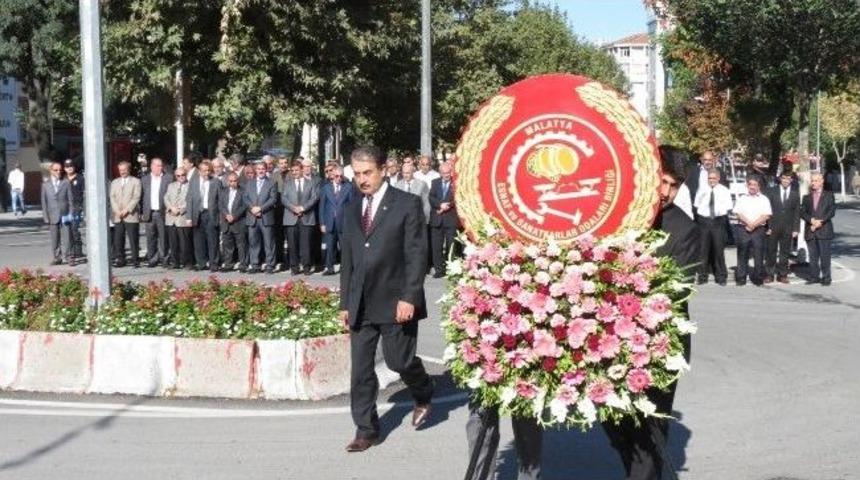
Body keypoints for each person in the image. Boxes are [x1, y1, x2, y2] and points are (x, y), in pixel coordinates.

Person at [601, 145, 700, 480]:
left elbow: (679, 290)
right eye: (664, 182)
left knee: (650, 437)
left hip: (659, 347)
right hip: (610, 346)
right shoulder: (620, 217)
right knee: (616, 427)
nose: (667, 192)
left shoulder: (684, 229)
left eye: (675, 187)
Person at [339, 146, 433, 453]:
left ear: (383, 169)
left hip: (396, 301)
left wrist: (410, 296)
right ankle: (366, 429)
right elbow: (349, 258)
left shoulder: (406, 204)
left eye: (368, 173)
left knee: (399, 361)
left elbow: (417, 253)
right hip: (361, 303)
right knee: (361, 371)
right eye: (357, 174)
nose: (362, 179)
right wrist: (345, 303)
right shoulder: (351, 207)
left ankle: (422, 390)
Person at [692, 168, 732, 285]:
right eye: (710, 178)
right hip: (704, 222)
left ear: (718, 179)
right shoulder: (702, 189)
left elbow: (729, 206)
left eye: (714, 178)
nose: (712, 180)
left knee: (719, 250)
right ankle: (702, 277)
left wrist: (720, 215)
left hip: (718, 222)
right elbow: (697, 204)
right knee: (703, 251)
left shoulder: (724, 190)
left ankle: (721, 277)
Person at [733, 176, 772, 286]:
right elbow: (738, 213)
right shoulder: (742, 198)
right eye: (750, 185)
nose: (752, 187)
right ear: (747, 185)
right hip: (743, 229)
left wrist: (754, 225)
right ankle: (741, 277)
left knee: (758, 254)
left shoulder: (764, 199)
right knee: (742, 254)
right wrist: (748, 223)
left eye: (755, 185)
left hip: (758, 230)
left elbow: (766, 215)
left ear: (759, 186)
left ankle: (758, 277)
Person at [282, 161, 320, 275]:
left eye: (296, 170)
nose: (294, 172)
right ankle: (294, 268)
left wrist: (302, 208)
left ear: (302, 170)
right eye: (292, 171)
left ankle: (306, 267)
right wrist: (293, 208)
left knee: (306, 244)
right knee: (292, 245)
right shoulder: (287, 183)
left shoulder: (311, 183)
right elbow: (283, 198)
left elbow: (314, 198)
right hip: (291, 217)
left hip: (306, 217)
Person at [764, 171, 800, 284]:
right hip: (773, 226)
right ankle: (769, 274)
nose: (785, 180)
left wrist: (796, 229)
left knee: (785, 252)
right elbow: (766, 210)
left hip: (788, 228)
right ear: (780, 179)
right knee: (771, 251)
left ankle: (782, 274)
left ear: (791, 180)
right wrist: (767, 226)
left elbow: (797, 213)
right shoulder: (771, 191)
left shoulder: (795, 194)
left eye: (788, 178)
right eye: (783, 178)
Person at [801, 172, 836, 286]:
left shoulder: (829, 195)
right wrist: (811, 220)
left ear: (822, 182)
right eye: (812, 181)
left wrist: (820, 221)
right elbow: (802, 212)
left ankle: (826, 277)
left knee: (825, 256)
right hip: (810, 230)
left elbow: (831, 211)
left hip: (824, 230)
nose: (813, 183)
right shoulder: (806, 197)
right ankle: (814, 277)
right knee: (812, 256)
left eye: (816, 180)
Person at [318, 165, 353, 275]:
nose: (338, 178)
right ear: (332, 176)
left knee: (344, 247)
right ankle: (329, 268)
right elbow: (322, 207)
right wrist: (322, 223)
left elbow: (351, 206)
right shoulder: (326, 188)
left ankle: (345, 268)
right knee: (330, 247)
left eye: (340, 176)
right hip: (329, 222)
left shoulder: (348, 187)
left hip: (343, 223)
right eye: (336, 176)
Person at [244, 162, 278, 274]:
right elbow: (245, 198)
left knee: (269, 243)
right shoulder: (249, 183)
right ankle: (255, 265)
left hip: (266, 216)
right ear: (255, 170)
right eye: (258, 169)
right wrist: (252, 208)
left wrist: (260, 209)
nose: (260, 171)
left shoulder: (272, 182)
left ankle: (270, 265)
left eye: (263, 169)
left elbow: (273, 199)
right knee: (253, 242)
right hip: (252, 217)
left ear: (266, 170)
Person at [428, 162, 460, 278]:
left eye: (448, 173)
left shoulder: (456, 182)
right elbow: (431, 197)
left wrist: (449, 205)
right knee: (436, 246)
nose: (447, 175)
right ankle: (439, 270)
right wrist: (440, 205)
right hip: (437, 219)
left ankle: (451, 269)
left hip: (450, 219)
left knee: (451, 246)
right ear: (440, 173)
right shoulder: (435, 182)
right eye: (444, 173)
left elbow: (458, 196)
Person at [41, 161, 75, 266]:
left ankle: (69, 257)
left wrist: (71, 213)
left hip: (65, 215)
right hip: (52, 215)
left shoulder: (66, 182)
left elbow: (70, 200)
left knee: (67, 237)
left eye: (60, 170)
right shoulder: (45, 185)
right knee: (55, 238)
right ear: (51, 171)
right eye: (56, 170)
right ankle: (57, 257)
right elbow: (44, 202)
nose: (58, 172)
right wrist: (46, 217)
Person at [140, 157, 173, 268]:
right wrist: (141, 212)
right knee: (150, 237)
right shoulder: (144, 179)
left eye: (161, 165)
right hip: (149, 212)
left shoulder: (168, 178)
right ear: (152, 166)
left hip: (162, 212)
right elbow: (141, 197)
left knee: (163, 237)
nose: (160, 168)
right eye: (157, 165)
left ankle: (164, 259)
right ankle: (152, 259)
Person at [189, 160, 221, 272]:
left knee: (213, 240)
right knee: (199, 241)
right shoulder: (193, 182)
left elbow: (220, 200)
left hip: (211, 214)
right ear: (199, 171)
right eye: (204, 171)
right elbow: (189, 200)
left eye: (208, 170)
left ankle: (214, 263)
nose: (206, 173)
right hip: (197, 214)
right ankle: (201, 263)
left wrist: (220, 217)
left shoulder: (216, 182)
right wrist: (189, 217)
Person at [109, 161, 142, 268]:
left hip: (131, 215)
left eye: (124, 169)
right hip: (118, 215)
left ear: (129, 169)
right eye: (120, 170)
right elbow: (112, 198)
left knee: (133, 239)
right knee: (118, 239)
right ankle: (120, 259)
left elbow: (136, 197)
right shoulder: (115, 182)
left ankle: (135, 260)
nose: (122, 172)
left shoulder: (136, 181)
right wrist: (117, 210)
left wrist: (127, 210)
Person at [164, 167, 193, 269]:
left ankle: (187, 262)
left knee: (185, 243)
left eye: (183, 175)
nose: (181, 177)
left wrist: (180, 210)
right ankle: (175, 262)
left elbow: (190, 201)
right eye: (178, 175)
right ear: (175, 176)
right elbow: (166, 198)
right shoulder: (171, 186)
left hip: (182, 217)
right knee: (173, 242)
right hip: (171, 218)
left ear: (186, 175)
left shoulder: (191, 186)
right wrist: (171, 208)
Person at [219, 172, 248, 273]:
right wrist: (227, 215)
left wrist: (234, 216)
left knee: (241, 245)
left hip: (239, 222)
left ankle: (243, 264)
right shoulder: (223, 191)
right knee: (227, 244)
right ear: (228, 181)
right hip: (226, 221)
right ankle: (228, 264)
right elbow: (221, 205)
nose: (233, 183)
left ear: (238, 181)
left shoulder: (243, 191)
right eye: (230, 181)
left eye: (234, 181)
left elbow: (244, 206)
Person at [64, 159, 85, 258]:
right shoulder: (63, 180)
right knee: (68, 230)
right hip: (66, 207)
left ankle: (78, 250)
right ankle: (71, 251)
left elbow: (84, 193)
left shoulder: (80, 178)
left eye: (71, 166)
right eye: (67, 166)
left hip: (77, 206)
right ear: (65, 168)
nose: (69, 168)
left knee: (74, 228)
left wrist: (82, 207)